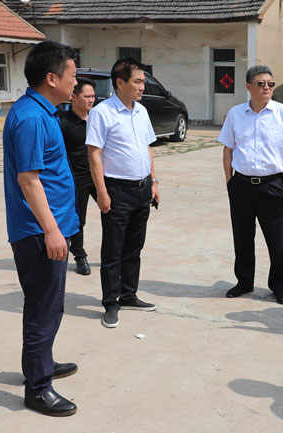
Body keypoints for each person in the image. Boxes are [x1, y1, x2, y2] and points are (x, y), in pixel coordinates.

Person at [2, 40, 79, 416]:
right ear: (52, 78)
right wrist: (51, 230)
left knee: (49, 305)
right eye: (72, 75)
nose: (76, 82)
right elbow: (29, 179)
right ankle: (38, 388)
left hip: (47, 226)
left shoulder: (42, 110)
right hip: (38, 232)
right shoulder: (32, 118)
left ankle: (41, 363)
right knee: (42, 309)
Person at [219, 65, 283, 305]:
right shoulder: (236, 114)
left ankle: (279, 287)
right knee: (242, 238)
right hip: (242, 185)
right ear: (249, 87)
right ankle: (244, 282)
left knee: (277, 240)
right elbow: (228, 150)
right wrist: (230, 182)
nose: (267, 87)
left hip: (273, 185)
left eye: (270, 83)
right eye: (261, 83)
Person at [86, 57, 159, 328]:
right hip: (117, 190)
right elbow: (94, 154)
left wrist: (154, 182)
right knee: (113, 251)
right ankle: (110, 302)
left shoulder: (142, 112)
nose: (142, 87)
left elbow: (147, 148)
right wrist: (102, 192)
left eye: (143, 82)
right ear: (120, 82)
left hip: (142, 189)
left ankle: (129, 295)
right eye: (138, 81)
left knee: (134, 247)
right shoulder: (102, 113)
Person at [60, 77, 97, 275]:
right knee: (78, 219)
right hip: (77, 178)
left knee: (113, 212)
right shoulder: (64, 122)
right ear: (73, 97)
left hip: (100, 175)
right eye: (87, 96)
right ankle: (79, 255)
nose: (91, 100)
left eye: (93, 96)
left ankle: (113, 252)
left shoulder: (97, 118)